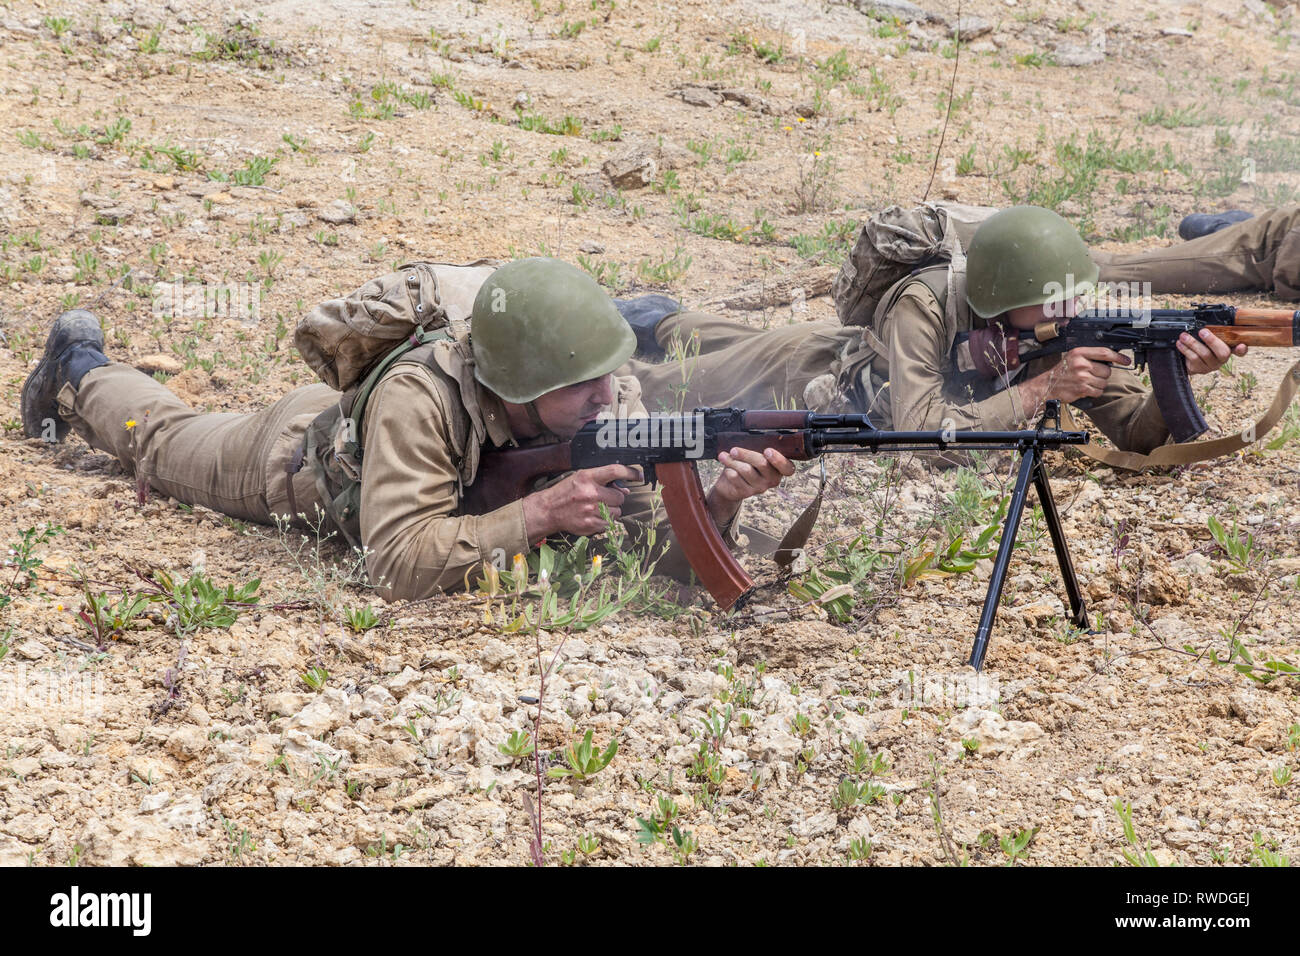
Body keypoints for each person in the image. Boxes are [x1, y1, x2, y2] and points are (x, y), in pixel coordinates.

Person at [20, 258, 794, 601]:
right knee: (162, 440)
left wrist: (721, 504)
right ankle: (77, 367)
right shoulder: (419, 399)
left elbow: (646, 550)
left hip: (394, 461)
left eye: (609, 374)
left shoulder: (604, 391)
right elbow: (391, 563)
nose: (610, 396)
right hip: (290, 460)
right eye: (582, 384)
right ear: (518, 388)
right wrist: (539, 516)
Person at [622, 204, 1300, 453]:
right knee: (663, 386)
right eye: (1053, 304)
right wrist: (1038, 394)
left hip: (863, 365)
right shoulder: (925, 299)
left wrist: (1178, 378)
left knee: (727, 342)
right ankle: (663, 325)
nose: (1070, 314)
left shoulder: (1063, 325)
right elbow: (916, 430)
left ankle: (672, 317)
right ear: (1001, 300)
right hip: (823, 370)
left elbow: (1137, 433)